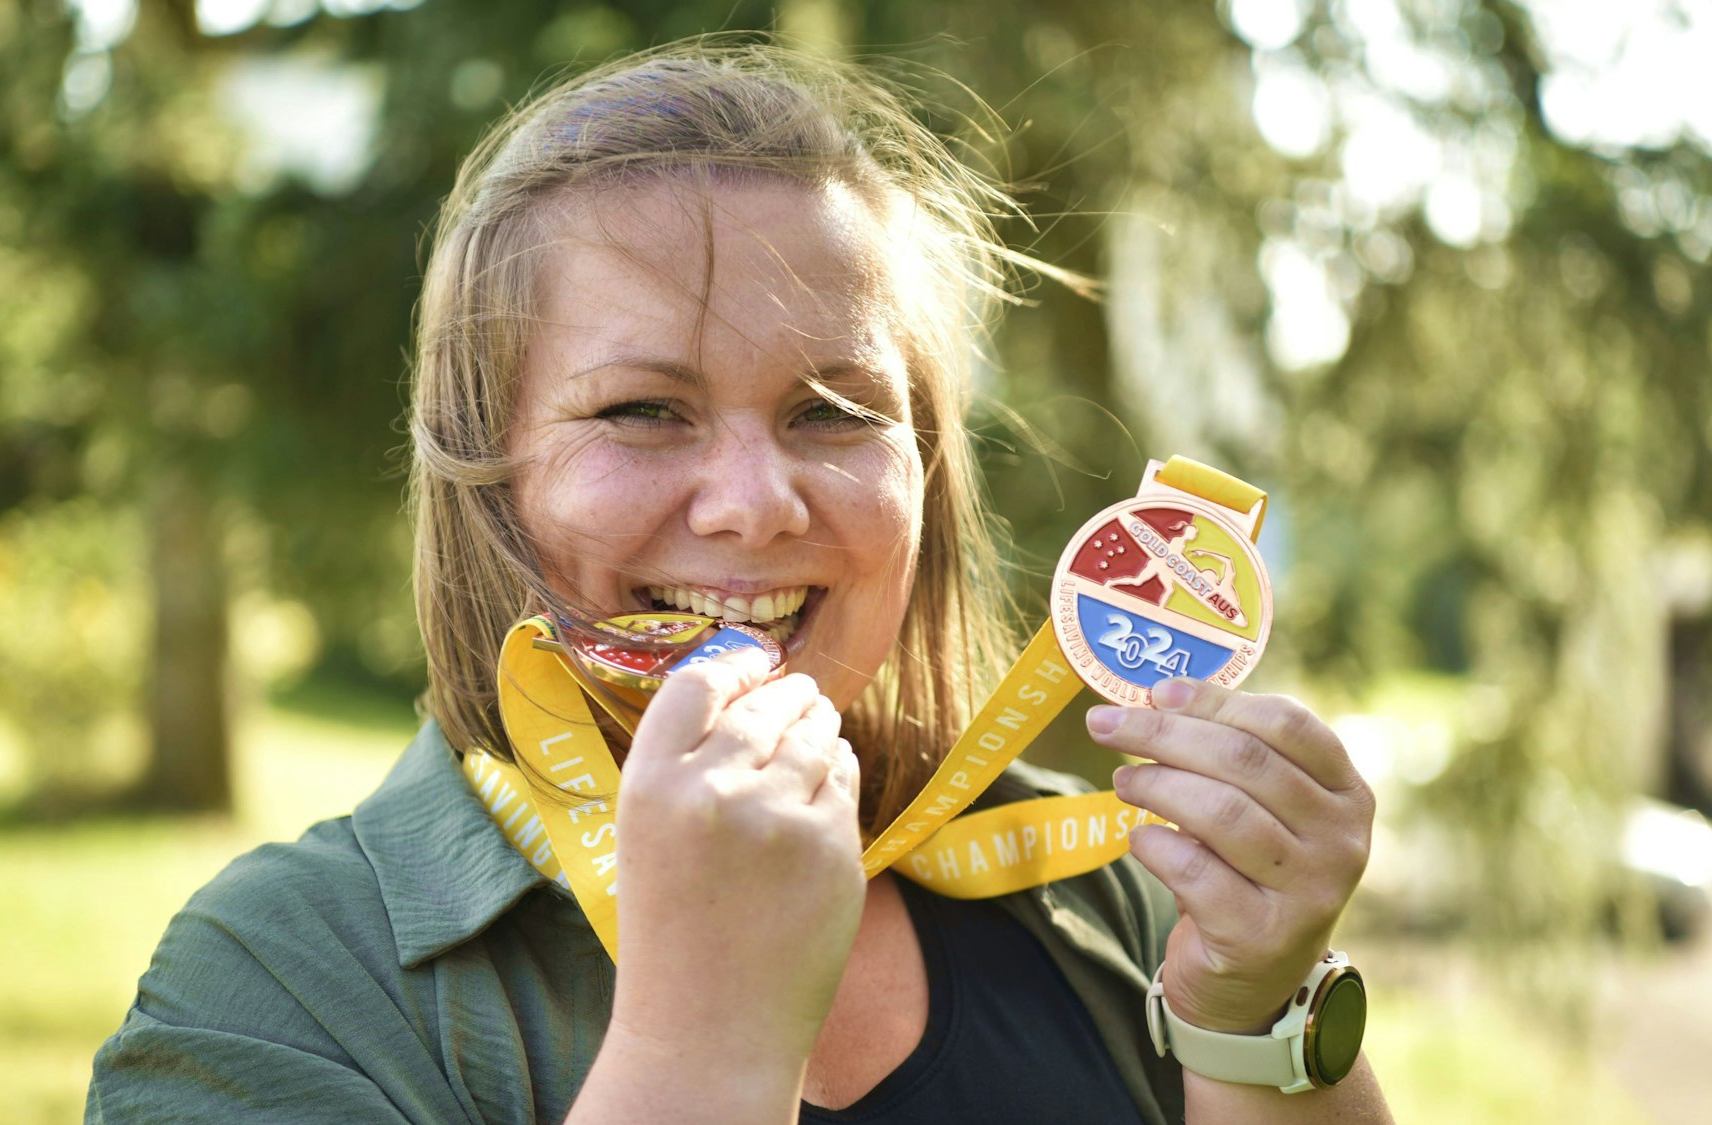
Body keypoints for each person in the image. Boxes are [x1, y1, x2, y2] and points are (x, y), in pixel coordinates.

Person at [86, 37, 1389, 1124]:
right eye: (644, 410)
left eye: (834, 412)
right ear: (488, 469)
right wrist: (702, 1044)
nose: (756, 504)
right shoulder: (278, 982)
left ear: (929, 474)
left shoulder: (1114, 890)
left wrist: (1252, 1017)